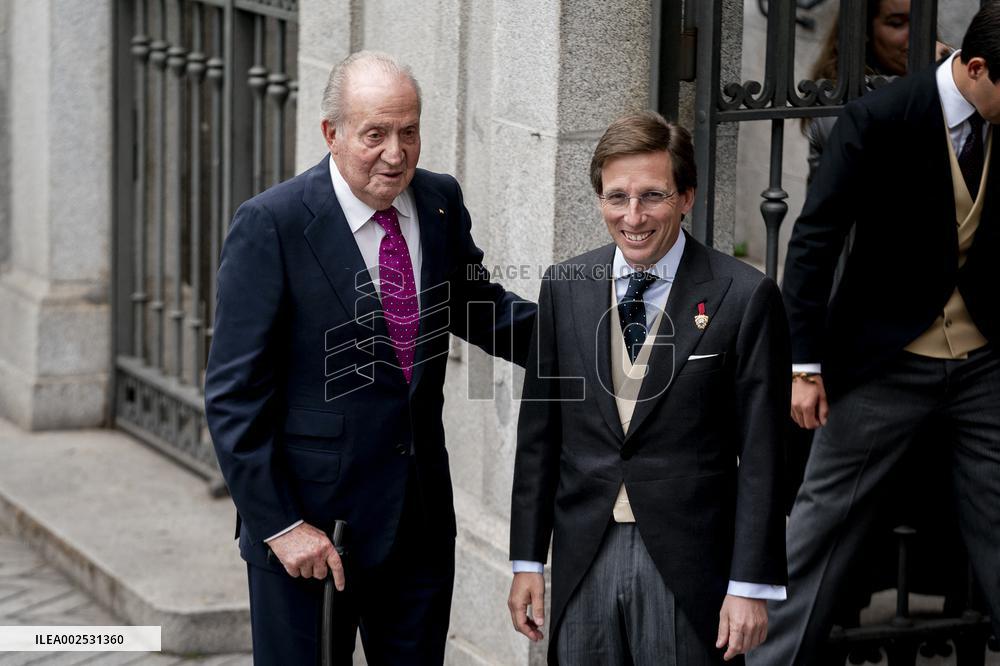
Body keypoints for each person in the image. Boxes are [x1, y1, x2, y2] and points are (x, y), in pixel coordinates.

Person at [205, 51, 535, 665]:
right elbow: (232, 395)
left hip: (417, 526)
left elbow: (475, 304)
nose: (396, 152)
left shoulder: (437, 200)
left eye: (408, 131)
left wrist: (593, 334)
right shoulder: (271, 225)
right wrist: (279, 526)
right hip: (309, 537)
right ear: (332, 133)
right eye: (375, 134)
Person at [749, 4, 1000, 664]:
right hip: (882, 364)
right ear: (977, 70)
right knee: (820, 531)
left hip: (982, 365)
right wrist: (805, 365)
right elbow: (812, 244)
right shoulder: (881, 118)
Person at [507, 112, 789, 664]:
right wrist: (526, 562)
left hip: (690, 564)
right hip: (583, 554)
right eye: (617, 197)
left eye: (652, 196)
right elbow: (539, 438)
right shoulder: (565, 288)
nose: (632, 216)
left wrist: (749, 585)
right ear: (599, 200)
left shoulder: (745, 296)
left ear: (686, 197)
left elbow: (764, 454)